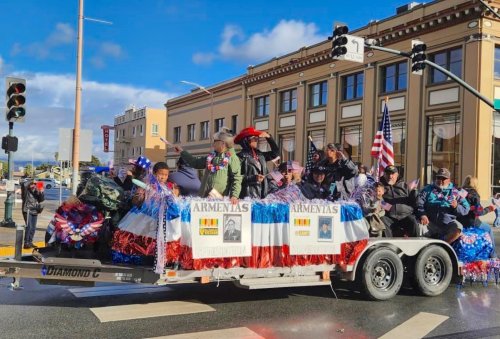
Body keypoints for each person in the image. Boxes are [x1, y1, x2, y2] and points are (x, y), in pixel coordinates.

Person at [175, 128, 242, 204]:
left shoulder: (232, 158)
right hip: (204, 198)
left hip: (219, 200)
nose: (213, 144)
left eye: (215, 141)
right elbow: (195, 163)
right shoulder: (211, 156)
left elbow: (237, 178)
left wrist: (234, 195)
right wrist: (182, 152)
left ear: (222, 143)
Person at [416, 168, 470, 244]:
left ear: (449, 180)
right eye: (439, 178)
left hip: (448, 223)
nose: (441, 180)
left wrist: (456, 207)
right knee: (418, 227)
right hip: (430, 223)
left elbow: (466, 208)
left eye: (444, 178)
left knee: (458, 228)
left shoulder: (456, 192)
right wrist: (422, 215)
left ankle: (442, 246)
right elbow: (419, 203)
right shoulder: (427, 189)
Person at [457, 175, 497, 258]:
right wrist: (489, 209)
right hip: (471, 222)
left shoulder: (460, 192)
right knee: (489, 229)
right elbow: (478, 212)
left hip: (459, 221)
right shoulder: (474, 194)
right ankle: (493, 256)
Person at [235, 126, 279, 199]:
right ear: (246, 140)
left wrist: (269, 138)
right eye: (254, 139)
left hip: (263, 195)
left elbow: (276, 153)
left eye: (257, 139)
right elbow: (235, 178)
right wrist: (253, 178)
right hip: (247, 196)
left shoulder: (261, 155)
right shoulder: (239, 157)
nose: (256, 141)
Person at [379, 165, 418, 237]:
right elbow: (378, 201)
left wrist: (414, 193)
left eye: (392, 174)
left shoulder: (405, 186)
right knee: (383, 220)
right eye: (388, 174)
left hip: (405, 216)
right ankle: (389, 245)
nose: (390, 176)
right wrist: (389, 207)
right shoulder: (380, 186)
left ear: (397, 175)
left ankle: (416, 245)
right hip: (389, 216)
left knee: (413, 221)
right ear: (384, 174)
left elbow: (412, 202)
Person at [21, 179, 45, 249]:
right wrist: (32, 181)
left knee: (33, 228)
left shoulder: (36, 191)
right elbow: (24, 184)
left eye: (35, 185)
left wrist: (41, 192)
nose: (34, 185)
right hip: (27, 209)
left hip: (35, 210)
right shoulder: (26, 190)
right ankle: (26, 243)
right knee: (29, 226)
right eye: (33, 184)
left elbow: (41, 199)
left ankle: (30, 242)